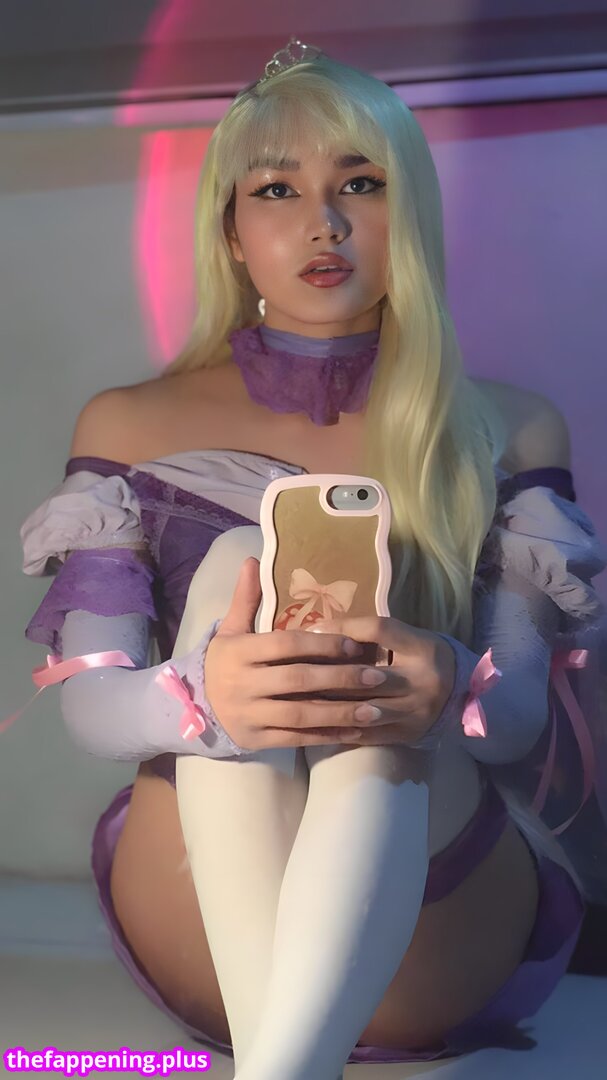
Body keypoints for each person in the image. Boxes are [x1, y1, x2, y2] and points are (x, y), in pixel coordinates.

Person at [17, 36, 607, 1080]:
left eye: (360, 184)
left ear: (408, 212)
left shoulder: (512, 427)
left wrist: (444, 684)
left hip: (435, 909)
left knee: (370, 695)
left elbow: (514, 720)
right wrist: (205, 696)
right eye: (277, 189)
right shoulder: (128, 421)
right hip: (194, 898)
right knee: (241, 562)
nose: (323, 223)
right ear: (232, 232)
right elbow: (92, 710)